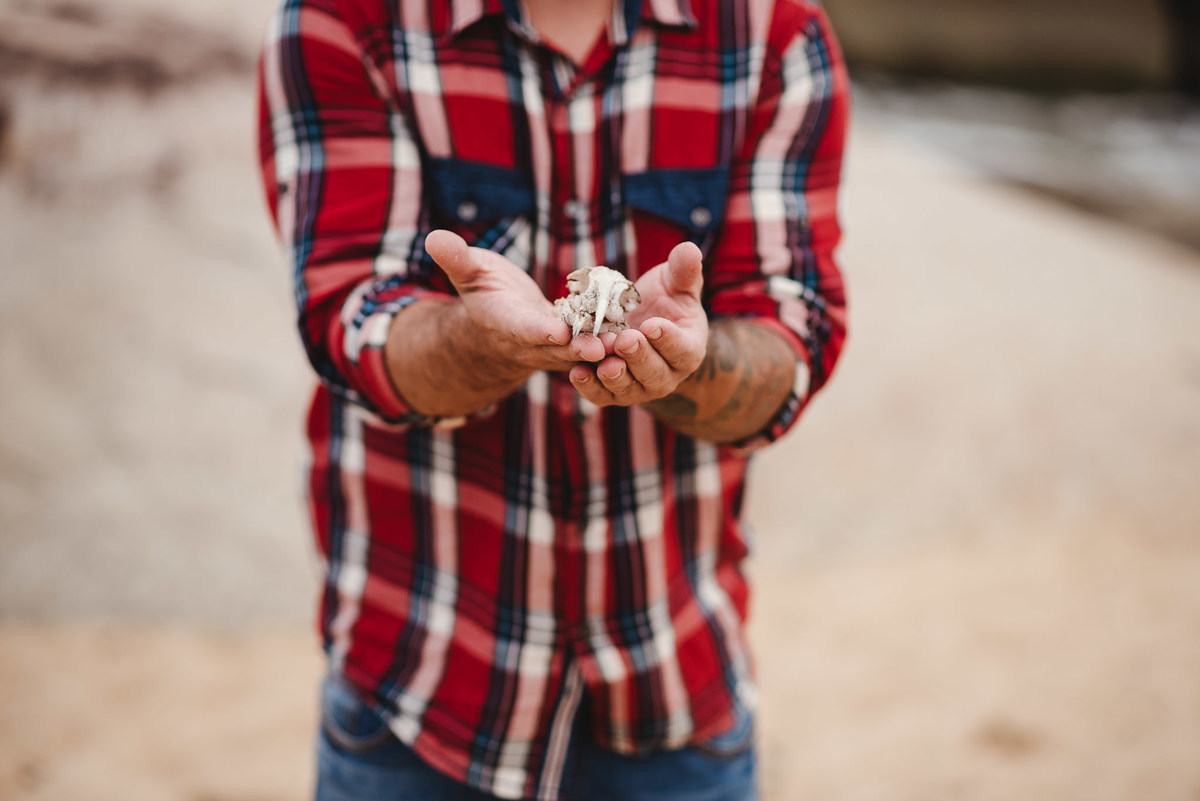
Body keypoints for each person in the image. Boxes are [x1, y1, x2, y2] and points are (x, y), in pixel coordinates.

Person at [256, 0, 848, 798]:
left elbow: (792, 339)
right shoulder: (343, 19)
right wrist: (482, 340)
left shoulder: (772, 30)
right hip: (419, 686)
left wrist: (687, 360)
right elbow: (347, 320)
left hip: (674, 681)